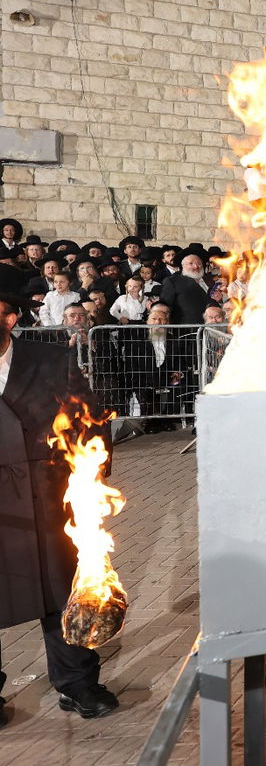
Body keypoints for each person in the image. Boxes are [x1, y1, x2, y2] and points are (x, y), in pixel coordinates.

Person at [0, 290, 120, 723]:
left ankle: (77, 684)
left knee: (63, 590)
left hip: (51, 498)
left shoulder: (52, 360)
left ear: (9, 318)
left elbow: (91, 421)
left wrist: (90, 481)